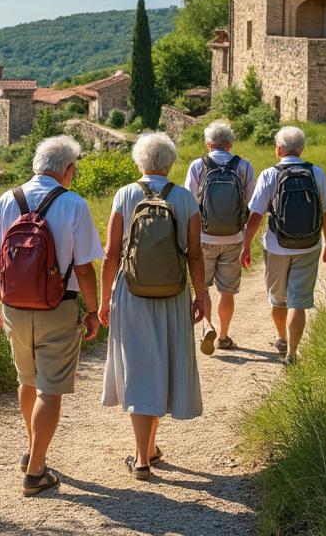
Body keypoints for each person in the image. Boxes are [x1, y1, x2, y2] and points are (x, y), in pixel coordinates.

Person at [0, 135, 103, 497]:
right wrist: (94, 311)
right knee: (50, 390)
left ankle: (32, 448)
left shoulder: (9, 199)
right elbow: (83, 269)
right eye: (74, 169)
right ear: (67, 169)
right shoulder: (74, 205)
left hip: (14, 306)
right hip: (58, 306)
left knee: (27, 380)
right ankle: (36, 471)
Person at [100, 132, 209, 481]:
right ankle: (146, 450)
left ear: (140, 162)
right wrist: (201, 294)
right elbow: (194, 252)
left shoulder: (125, 195)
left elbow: (110, 253)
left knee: (138, 367)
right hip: (174, 293)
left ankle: (142, 457)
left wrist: (103, 300)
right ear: (170, 163)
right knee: (161, 363)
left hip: (131, 293)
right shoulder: (185, 198)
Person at [241, 126, 326, 364]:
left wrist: (245, 245)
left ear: (279, 149)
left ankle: (281, 337)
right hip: (309, 245)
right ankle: (292, 353)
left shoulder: (269, 174)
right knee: (298, 301)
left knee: (278, 299)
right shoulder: (316, 172)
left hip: (276, 246)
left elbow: (256, 215)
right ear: (302, 149)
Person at [183, 120, 255, 350]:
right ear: (230, 144)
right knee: (227, 291)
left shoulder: (198, 166)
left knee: (202, 288)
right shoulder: (244, 166)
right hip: (234, 238)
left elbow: (188, 203)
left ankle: (207, 325)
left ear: (208, 144)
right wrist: (247, 241)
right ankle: (223, 336)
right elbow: (251, 204)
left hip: (203, 238)